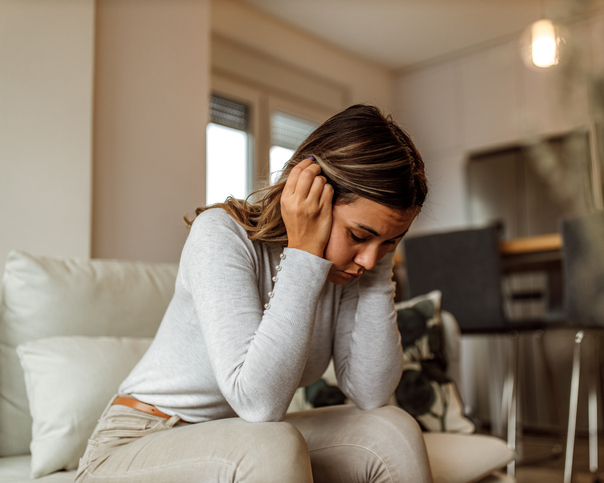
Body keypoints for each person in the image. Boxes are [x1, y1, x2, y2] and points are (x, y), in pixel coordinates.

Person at [75, 104, 434, 483]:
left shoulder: (349, 270)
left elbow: (371, 393)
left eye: (390, 243)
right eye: (360, 236)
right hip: (139, 442)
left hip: (238, 439)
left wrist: (379, 269)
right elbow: (259, 403)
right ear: (313, 196)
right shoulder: (219, 234)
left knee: (392, 429)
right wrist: (304, 256)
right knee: (271, 444)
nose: (367, 259)